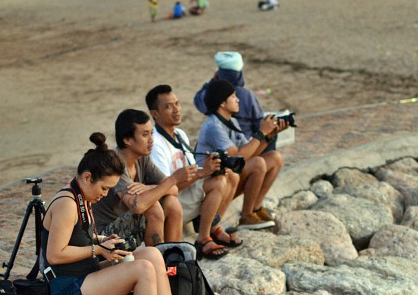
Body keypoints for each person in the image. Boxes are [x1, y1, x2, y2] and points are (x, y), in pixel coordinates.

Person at [41, 132, 206, 295]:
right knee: (142, 270)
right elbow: (54, 255)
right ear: (88, 177)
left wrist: (104, 240)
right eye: (104, 188)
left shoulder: (83, 196)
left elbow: (79, 234)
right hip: (69, 286)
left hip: (83, 273)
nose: (106, 194)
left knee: (152, 255)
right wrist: (98, 249)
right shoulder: (68, 204)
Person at [146, 84, 241, 259]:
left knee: (230, 175)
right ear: (155, 114)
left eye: (177, 103)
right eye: (168, 106)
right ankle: (203, 239)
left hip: (186, 194)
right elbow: (165, 188)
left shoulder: (180, 133)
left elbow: (192, 169)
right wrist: (202, 172)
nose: (176, 110)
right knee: (219, 182)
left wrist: (208, 166)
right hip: (173, 203)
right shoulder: (156, 144)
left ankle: (213, 227)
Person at [93, 109, 194, 247]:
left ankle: (172, 259)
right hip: (103, 235)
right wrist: (173, 178)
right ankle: (158, 261)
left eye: (152, 133)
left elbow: (174, 190)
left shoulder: (142, 159)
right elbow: (138, 206)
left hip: (127, 223)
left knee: (172, 203)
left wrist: (148, 187)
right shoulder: (114, 163)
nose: (151, 140)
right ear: (127, 139)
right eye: (145, 134)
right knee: (153, 207)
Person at [196, 80, 287, 230]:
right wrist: (261, 132)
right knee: (258, 163)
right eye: (233, 96)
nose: (238, 100)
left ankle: (256, 208)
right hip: (212, 185)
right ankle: (246, 216)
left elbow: (251, 153)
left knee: (274, 158)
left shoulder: (231, 121)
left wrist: (269, 136)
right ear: (222, 103)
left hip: (230, 177)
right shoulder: (213, 126)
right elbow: (236, 157)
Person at [194, 52, 270, 147]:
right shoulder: (247, 95)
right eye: (233, 97)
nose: (237, 100)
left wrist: (213, 81)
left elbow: (198, 101)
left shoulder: (210, 94)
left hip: (241, 145)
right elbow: (258, 123)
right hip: (237, 147)